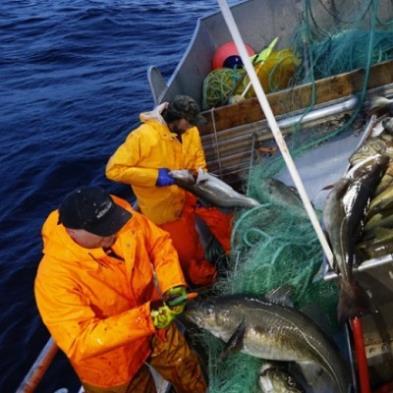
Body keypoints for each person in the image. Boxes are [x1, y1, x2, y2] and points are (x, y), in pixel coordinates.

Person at [34, 186, 206, 393]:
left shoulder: (118, 214)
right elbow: (79, 340)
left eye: (113, 222)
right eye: (102, 229)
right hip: (112, 363)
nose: (113, 231)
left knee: (187, 369)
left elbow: (159, 243)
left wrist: (173, 285)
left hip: (156, 319)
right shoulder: (53, 278)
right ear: (72, 232)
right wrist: (147, 318)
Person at [105, 95, 232, 287]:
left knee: (223, 223)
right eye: (189, 122)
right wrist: (156, 177)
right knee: (185, 255)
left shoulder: (191, 132)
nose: (192, 127)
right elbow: (114, 170)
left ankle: (218, 263)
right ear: (178, 120)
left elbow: (198, 160)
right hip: (163, 213)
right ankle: (198, 285)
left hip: (188, 198)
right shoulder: (143, 136)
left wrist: (201, 184)